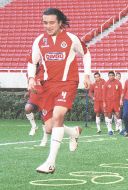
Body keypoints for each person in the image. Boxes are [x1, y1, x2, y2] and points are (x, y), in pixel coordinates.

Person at [27, 8, 91, 174]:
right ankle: (74, 132)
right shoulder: (39, 41)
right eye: (44, 22)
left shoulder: (71, 38)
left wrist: (87, 74)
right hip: (48, 86)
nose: (47, 26)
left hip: (67, 83)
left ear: (60, 22)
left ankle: (50, 163)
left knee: (58, 116)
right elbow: (32, 62)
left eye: (51, 22)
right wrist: (31, 78)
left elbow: (86, 53)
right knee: (49, 127)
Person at [103, 71, 122, 135]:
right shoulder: (106, 83)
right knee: (109, 115)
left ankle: (120, 129)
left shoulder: (118, 82)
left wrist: (121, 100)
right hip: (109, 102)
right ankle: (110, 130)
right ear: (108, 76)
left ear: (114, 76)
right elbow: (104, 94)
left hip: (116, 102)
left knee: (118, 115)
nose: (111, 77)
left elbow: (121, 92)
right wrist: (104, 102)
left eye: (112, 75)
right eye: (110, 75)